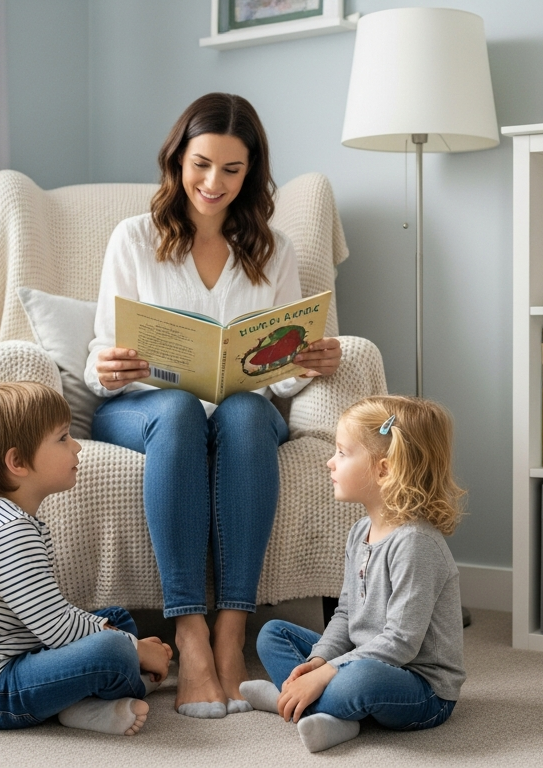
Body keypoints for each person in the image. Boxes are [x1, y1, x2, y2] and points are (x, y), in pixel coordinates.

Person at [85, 92, 343, 718]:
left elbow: (277, 379)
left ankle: (233, 627)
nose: (213, 182)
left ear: (251, 171)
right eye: (201, 164)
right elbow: (98, 356)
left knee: (250, 412)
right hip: (142, 412)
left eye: (232, 170)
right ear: (177, 160)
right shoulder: (133, 238)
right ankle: (191, 634)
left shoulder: (273, 249)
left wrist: (306, 363)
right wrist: (109, 366)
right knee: (176, 409)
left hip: (238, 410)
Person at [0, 381, 172, 734]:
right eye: (62, 438)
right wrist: (132, 648)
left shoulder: (7, 518)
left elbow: (46, 619)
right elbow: (55, 625)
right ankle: (85, 704)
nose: (76, 446)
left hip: (14, 656)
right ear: (17, 462)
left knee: (115, 618)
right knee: (112, 650)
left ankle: (85, 696)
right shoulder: (7, 531)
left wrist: (121, 637)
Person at [239, 396, 466, 753]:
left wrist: (328, 673)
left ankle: (293, 701)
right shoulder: (360, 531)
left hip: (421, 687)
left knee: (360, 678)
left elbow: (401, 643)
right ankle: (322, 710)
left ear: (384, 469)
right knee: (273, 633)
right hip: (361, 657)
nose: (330, 462)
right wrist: (316, 662)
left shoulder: (416, 543)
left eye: (342, 453)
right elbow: (345, 613)